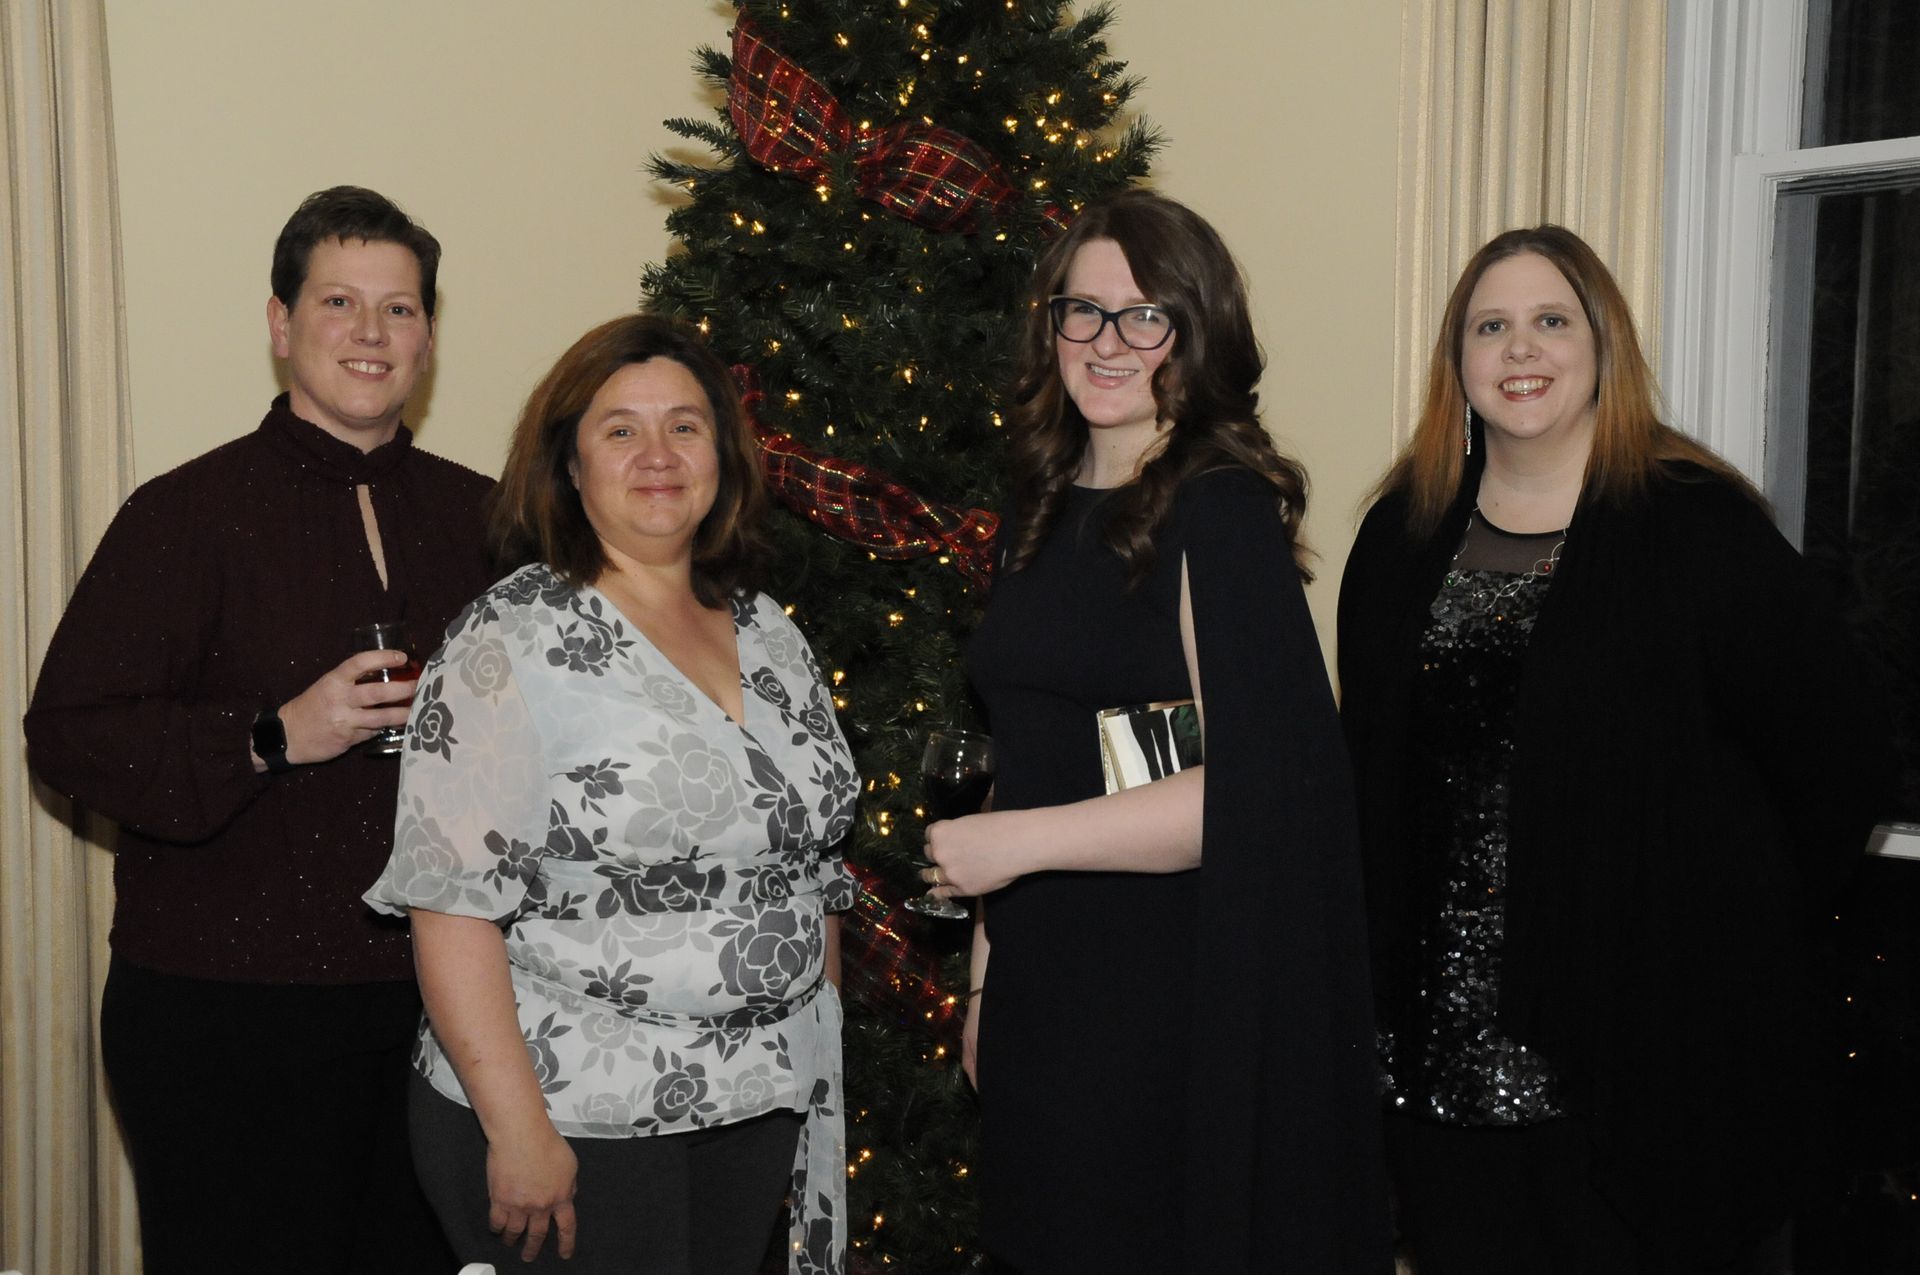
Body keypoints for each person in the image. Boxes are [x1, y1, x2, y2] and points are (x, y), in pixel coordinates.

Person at [1336, 225, 1893, 1274]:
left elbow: (1839, 749)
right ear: (1457, 362)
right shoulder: (1400, 538)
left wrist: (1730, 922)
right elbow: (1370, 773)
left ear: (1603, 347)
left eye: (1552, 321)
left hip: (1645, 1062)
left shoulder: (1696, 527)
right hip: (1434, 1069)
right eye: (1490, 327)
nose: (1521, 350)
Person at [922, 189, 1392, 1272]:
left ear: (1198, 332)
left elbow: (1260, 793)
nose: (1108, 342)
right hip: (1044, 983)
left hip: (1167, 995)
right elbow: (1031, 755)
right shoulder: (1039, 503)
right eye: (1081, 311)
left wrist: (1017, 846)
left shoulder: (1215, 509)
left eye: (1147, 317)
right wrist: (988, 982)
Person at [24, 186, 490, 1272]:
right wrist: (274, 734)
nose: (372, 333)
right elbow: (70, 736)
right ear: (280, 325)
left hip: (442, 1014)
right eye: (340, 302)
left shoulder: (487, 517)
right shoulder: (183, 516)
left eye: (402, 309)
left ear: (428, 337)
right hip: (225, 1021)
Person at [364, 313, 857, 1274]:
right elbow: (450, 907)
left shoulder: (768, 631)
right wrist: (518, 1131)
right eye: (620, 429)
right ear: (570, 466)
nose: (658, 454)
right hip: (573, 1112)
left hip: (756, 1102)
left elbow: (810, 870)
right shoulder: (507, 642)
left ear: (722, 453)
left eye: (685, 425)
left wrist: (816, 1064)